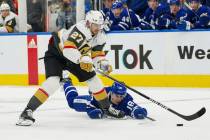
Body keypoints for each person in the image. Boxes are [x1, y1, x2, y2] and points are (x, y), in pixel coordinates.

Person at [16, 10, 125, 126]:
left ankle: (107, 109)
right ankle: (27, 111)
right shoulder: (80, 29)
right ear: (88, 23)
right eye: (96, 25)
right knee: (53, 82)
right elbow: (68, 50)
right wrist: (81, 60)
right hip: (57, 54)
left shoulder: (100, 36)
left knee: (94, 80)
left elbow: (96, 54)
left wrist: (103, 63)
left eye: (100, 25)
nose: (98, 28)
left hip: (76, 57)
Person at [63, 78, 148, 119]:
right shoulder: (102, 95)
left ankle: (93, 89)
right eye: (117, 96)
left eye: (121, 96)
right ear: (111, 92)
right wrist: (93, 111)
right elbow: (91, 106)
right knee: (71, 102)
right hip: (92, 100)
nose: (119, 98)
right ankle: (67, 82)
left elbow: (135, 108)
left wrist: (139, 111)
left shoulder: (126, 100)